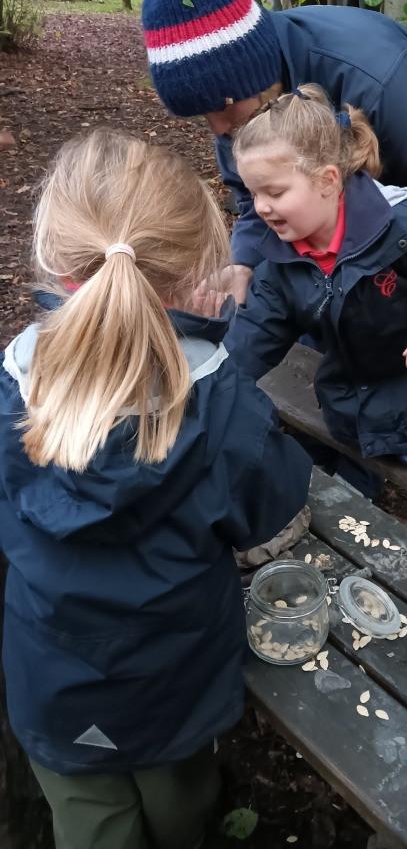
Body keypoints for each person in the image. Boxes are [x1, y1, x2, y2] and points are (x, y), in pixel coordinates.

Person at [0, 130, 312, 849]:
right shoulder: (223, 402)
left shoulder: (11, 384)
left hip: (51, 676)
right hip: (176, 680)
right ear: (193, 265)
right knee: (181, 809)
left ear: (54, 254)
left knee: (89, 822)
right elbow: (271, 504)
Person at [126, 0, 407, 305]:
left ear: (256, 74)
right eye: (203, 114)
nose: (218, 128)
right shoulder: (238, 103)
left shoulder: (377, 79)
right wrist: (245, 262)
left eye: (221, 108)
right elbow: (255, 193)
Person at [224, 84, 407, 474]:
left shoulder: (405, 227)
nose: (262, 207)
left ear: (327, 180)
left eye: (275, 192)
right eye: (254, 194)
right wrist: (213, 381)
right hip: (357, 385)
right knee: (342, 441)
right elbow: (257, 328)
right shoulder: (282, 258)